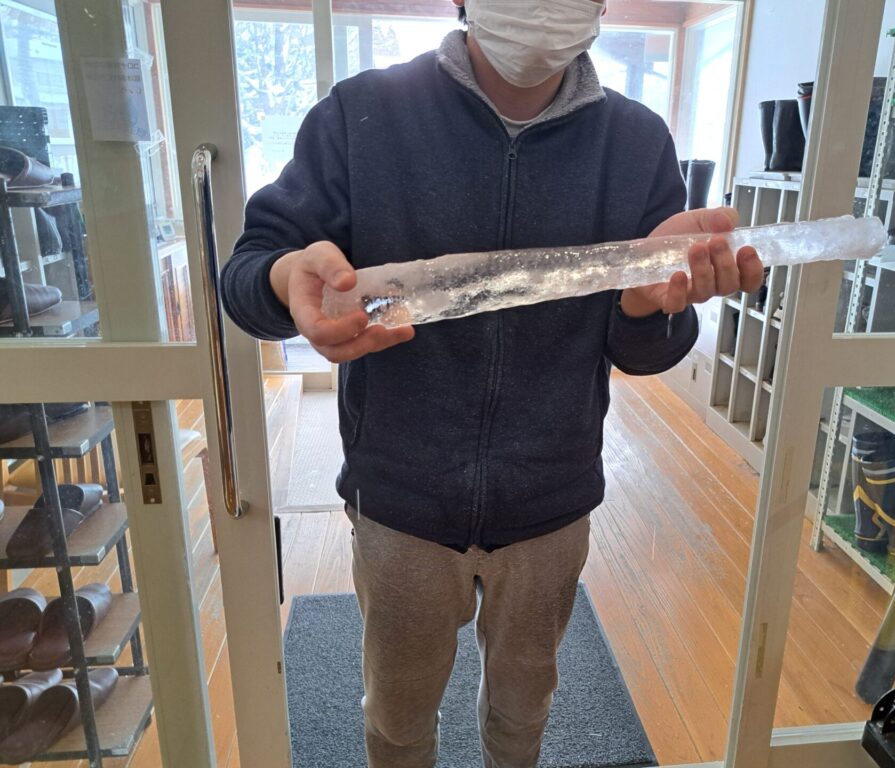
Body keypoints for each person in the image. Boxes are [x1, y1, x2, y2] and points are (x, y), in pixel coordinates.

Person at [221, 0, 763, 765]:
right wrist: (285, 278)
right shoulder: (363, 115)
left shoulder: (637, 143)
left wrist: (648, 303)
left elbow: (644, 349)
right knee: (398, 717)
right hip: (401, 503)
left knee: (523, 713)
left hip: (551, 503)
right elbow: (247, 273)